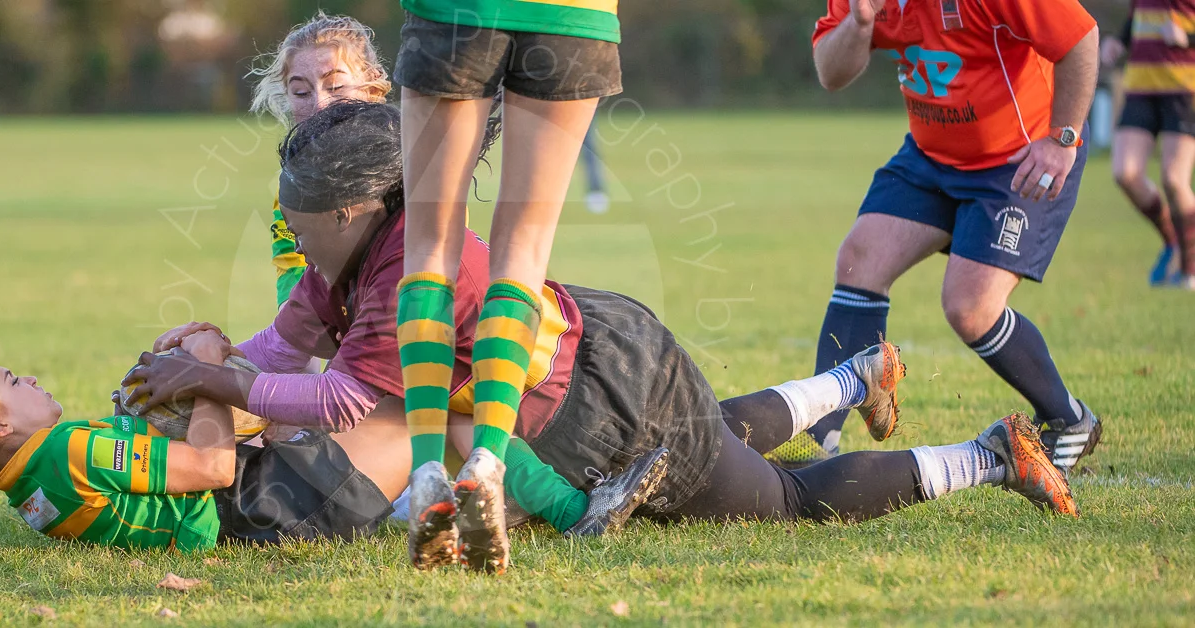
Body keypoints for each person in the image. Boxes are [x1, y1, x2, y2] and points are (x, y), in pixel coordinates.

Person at [130, 102, 1080, 573]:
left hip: (600, 400)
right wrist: (212, 361)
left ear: (355, 208)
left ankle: (990, 457)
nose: (291, 232)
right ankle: (853, 375)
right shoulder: (369, 248)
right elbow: (292, 336)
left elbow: (347, 400)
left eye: (303, 216)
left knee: (782, 506)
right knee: (716, 444)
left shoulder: (406, 265)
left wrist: (214, 386)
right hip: (596, 366)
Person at [0, 230, 669, 550]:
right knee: (429, 403)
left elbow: (139, 465)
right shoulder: (64, 448)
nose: (34, 378)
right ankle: (578, 508)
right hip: (268, 509)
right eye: (18, 379)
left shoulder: (37, 478)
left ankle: (528, 502)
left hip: (262, 501)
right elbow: (212, 464)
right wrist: (217, 374)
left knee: (398, 404)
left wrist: (177, 385)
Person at [768, 0, 1105, 473]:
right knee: (859, 260)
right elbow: (831, 71)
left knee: (970, 308)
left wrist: (1062, 138)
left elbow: (1081, 38)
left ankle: (1069, 419)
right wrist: (861, 21)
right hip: (932, 156)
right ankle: (818, 442)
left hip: (1019, 158)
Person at [388, 0, 626, 572]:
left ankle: (427, 471)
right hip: (573, 18)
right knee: (522, 251)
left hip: (458, 12)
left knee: (429, 249)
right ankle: (489, 466)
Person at [249, 13, 392, 306]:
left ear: (372, 89)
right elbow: (293, 274)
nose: (320, 104)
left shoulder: (412, 166)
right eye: (301, 92)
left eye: (336, 87)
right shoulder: (292, 186)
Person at [1102, 10, 1195, 289]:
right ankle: (1173, 241)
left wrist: (1188, 37)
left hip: (1183, 87)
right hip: (1141, 86)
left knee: (1174, 181)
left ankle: (1190, 270)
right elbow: (1141, 12)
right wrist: (1120, 40)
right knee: (1125, 173)